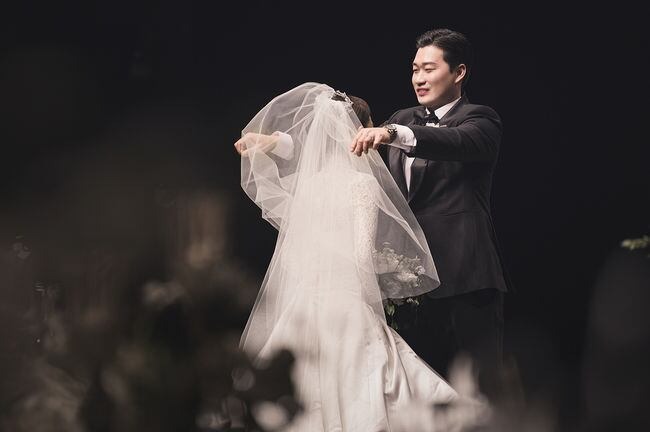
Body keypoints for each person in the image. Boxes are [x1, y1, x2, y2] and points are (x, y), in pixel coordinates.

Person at [234, 83, 468, 431]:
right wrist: (385, 279)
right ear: (357, 130)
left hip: (306, 300)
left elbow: (295, 256)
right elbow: (360, 253)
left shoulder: (308, 183)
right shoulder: (362, 184)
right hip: (346, 300)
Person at [350, 28, 512, 397]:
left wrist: (396, 133)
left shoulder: (481, 119)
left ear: (459, 72)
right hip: (409, 283)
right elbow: (346, 144)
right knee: (417, 392)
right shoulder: (402, 117)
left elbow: (457, 142)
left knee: (477, 391)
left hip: (466, 279)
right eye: (414, 69)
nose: (419, 78)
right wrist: (279, 144)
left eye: (429, 68)